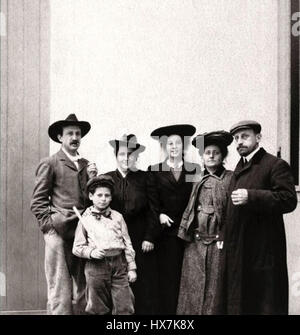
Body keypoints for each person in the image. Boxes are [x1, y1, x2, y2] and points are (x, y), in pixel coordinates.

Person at [224, 120, 298, 315]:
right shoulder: (237, 171)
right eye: (236, 138)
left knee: (266, 306)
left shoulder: (274, 164)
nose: (240, 142)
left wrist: (252, 196)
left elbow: (289, 199)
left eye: (245, 136)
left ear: (258, 137)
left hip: (265, 255)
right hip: (240, 254)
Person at [30, 113, 97, 315]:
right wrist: (50, 228)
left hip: (82, 233)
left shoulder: (87, 165)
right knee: (60, 288)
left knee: (85, 286)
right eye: (70, 134)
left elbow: (91, 198)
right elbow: (38, 202)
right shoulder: (50, 163)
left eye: (78, 133)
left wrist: (93, 178)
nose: (75, 137)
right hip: (58, 234)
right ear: (60, 138)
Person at [177, 130, 233, 315]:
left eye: (215, 152)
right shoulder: (196, 179)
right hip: (195, 245)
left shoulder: (231, 179)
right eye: (207, 152)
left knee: (215, 292)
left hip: (220, 244)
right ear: (202, 155)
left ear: (223, 155)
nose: (210, 156)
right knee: (192, 293)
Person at [105, 134, 160, 314]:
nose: (126, 158)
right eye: (122, 154)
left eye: (130, 154)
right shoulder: (107, 178)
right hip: (114, 240)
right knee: (118, 283)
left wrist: (150, 237)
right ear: (116, 156)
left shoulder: (145, 178)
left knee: (142, 283)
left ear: (136, 156)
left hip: (139, 238)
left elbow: (154, 209)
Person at [148, 124, 200, 314]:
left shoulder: (193, 169)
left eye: (178, 143)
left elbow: (196, 197)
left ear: (183, 146)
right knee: (168, 276)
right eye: (170, 143)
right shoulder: (155, 170)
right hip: (166, 233)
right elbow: (152, 201)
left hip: (188, 232)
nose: (174, 147)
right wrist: (160, 214)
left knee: (187, 277)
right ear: (165, 146)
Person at [72, 175, 137, 315]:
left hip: (119, 266)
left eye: (107, 195)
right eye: (99, 195)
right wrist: (91, 252)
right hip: (96, 266)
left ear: (111, 197)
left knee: (125, 306)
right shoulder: (85, 219)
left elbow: (127, 244)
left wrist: (132, 268)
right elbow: (77, 248)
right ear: (91, 196)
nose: (103, 198)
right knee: (97, 308)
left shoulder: (118, 217)